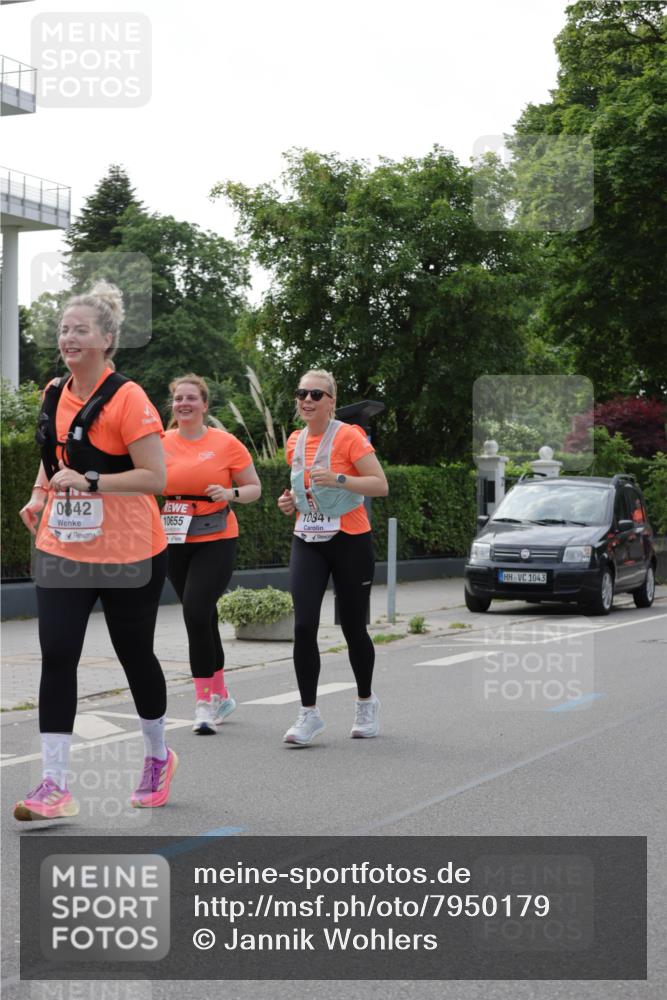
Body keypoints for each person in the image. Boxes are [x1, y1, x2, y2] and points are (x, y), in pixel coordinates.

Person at [14, 281, 176, 822]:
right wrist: (40, 495)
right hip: (66, 546)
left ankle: (156, 755)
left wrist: (91, 483)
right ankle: (53, 784)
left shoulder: (129, 398)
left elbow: (156, 476)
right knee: (58, 654)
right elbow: (52, 456)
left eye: (80, 329)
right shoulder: (53, 392)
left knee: (135, 657)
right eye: (63, 329)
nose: (68, 337)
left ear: (107, 340)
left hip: (131, 550)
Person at [277, 370, 388, 746]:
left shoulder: (350, 436)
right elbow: (300, 486)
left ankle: (365, 702)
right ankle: (308, 714)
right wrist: (289, 501)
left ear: (331, 401)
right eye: (301, 393)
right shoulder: (295, 440)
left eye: (316, 394)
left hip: (350, 539)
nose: (306, 400)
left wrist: (340, 480)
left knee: (353, 628)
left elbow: (379, 484)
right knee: (304, 625)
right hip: (307, 537)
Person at [163, 374, 261, 734]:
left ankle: (203, 703)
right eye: (178, 399)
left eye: (191, 398)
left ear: (205, 405)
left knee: (194, 610)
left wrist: (230, 493)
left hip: (217, 535)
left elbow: (254, 488)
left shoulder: (226, 443)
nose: (184, 404)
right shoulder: (160, 442)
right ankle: (221, 693)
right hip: (174, 535)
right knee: (202, 615)